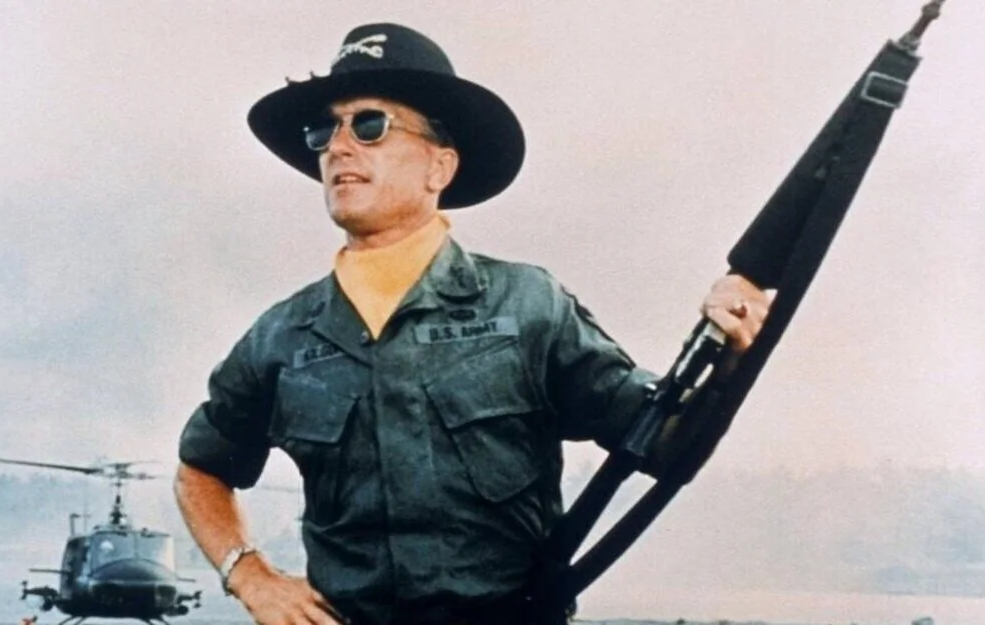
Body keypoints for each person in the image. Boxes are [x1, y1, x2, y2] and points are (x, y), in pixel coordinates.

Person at [174, 23, 769, 625]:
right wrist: (248, 574)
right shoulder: (282, 337)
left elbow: (665, 442)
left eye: (370, 125)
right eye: (324, 130)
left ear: (440, 167)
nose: (338, 147)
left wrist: (731, 350)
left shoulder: (527, 306)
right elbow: (201, 465)